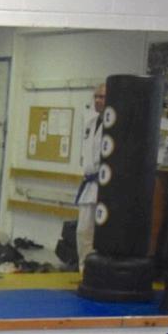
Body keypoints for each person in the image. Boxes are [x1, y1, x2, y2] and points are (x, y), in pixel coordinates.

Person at [76, 81, 107, 266]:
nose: (97, 100)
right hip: (89, 183)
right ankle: (83, 268)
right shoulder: (89, 123)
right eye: (96, 96)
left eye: (102, 97)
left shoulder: (114, 125)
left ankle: (94, 269)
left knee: (100, 234)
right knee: (83, 231)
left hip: (104, 184)